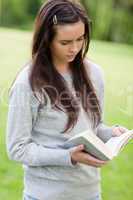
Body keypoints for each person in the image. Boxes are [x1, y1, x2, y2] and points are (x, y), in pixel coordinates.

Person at [6, 0, 128, 200]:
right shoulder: (27, 84)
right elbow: (17, 149)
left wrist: (111, 133)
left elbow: (93, 127)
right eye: (65, 42)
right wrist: (68, 157)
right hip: (45, 195)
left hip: (90, 193)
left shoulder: (94, 74)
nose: (75, 49)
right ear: (46, 39)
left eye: (80, 39)